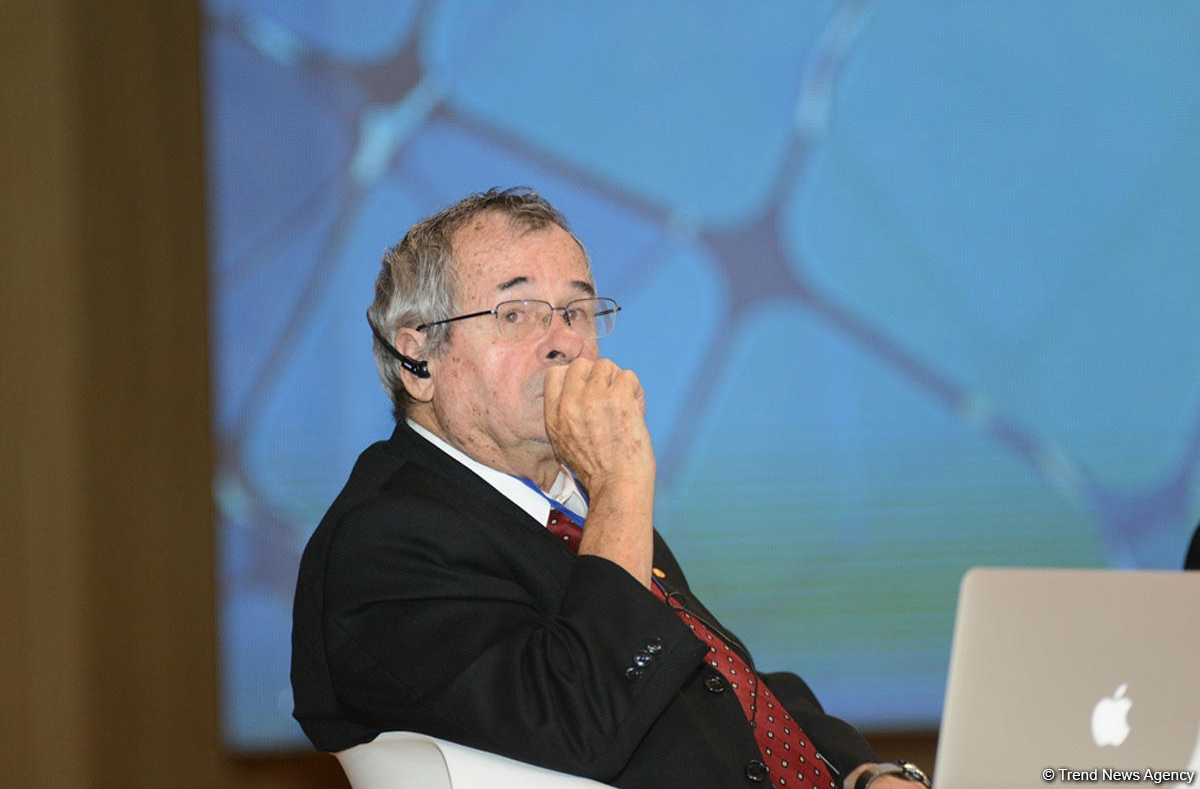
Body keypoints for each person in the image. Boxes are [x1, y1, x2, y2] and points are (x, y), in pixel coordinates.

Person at [291, 188, 928, 789]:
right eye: (515, 314)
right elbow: (581, 722)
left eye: (575, 311)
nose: (565, 341)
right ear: (418, 360)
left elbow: (719, 678)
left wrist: (860, 771)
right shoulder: (383, 540)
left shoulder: (567, 503)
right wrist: (622, 484)